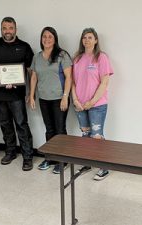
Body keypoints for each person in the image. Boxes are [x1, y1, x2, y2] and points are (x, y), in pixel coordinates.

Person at [0, 17, 34, 171]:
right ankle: (10, 151)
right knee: (5, 124)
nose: (7, 31)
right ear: (1, 29)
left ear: (15, 29)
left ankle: (27, 157)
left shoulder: (24, 47)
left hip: (17, 95)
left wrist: (30, 93)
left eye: (10, 28)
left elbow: (31, 71)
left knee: (21, 124)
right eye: (4, 28)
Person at [72, 27, 113, 181]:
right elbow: (73, 83)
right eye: (84, 37)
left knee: (96, 135)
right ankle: (87, 163)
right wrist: (75, 100)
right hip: (80, 105)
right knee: (85, 135)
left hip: (97, 105)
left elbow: (104, 83)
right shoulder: (77, 58)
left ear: (96, 40)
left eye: (90, 37)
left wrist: (91, 102)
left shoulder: (101, 57)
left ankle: (104, 167)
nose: (86, 40)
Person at [29, 27, 72, 174]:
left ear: (55, 39)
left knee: (60, 130)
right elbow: (34, 77)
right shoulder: (37, 57)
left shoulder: (62, 55)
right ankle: (50, 157)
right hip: (44, 98)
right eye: (44, 36)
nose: (46, 39)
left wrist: (65, 97)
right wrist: (32, 95)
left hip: (59, 98)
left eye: (50, 37)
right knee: (49, 129)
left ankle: (63, 160)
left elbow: (69, 77)